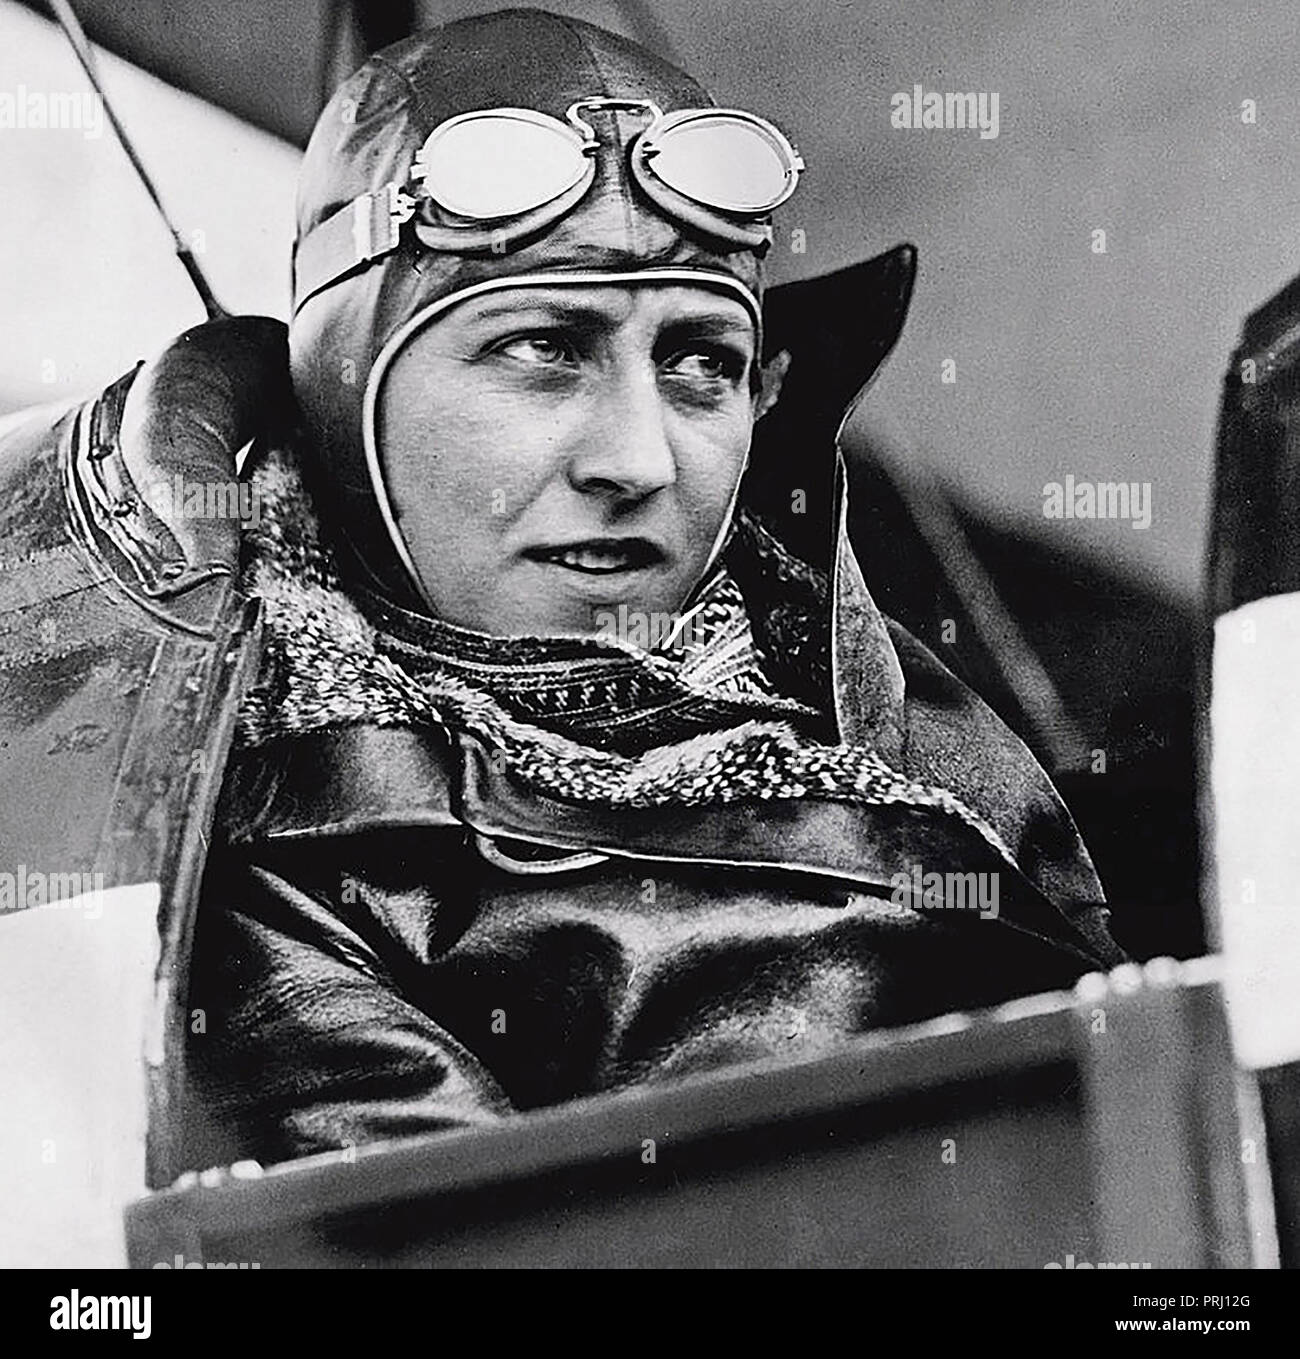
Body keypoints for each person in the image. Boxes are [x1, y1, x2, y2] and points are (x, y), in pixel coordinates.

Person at [0, 9, 1124, 1175]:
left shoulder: (911, 726)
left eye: (701, 362)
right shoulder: (227, 842)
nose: (637, 460)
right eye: (543, 348)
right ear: (346, 398)